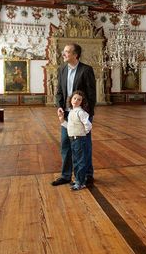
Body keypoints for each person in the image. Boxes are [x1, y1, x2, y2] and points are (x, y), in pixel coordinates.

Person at [52, 43, 96, 187]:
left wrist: (87, 115)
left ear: (75, 55)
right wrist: (59, 107)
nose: (63, 54)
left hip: (81, 115)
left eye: (67, 52)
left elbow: (91, 95)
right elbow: (59, 91)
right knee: (65, 145)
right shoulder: (62, 69)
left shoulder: (86, 70)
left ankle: (87, 175)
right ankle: (65, 176)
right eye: (64, 51)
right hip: (66, 115)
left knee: (84, 146)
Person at [57, 90, 92, 190]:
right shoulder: (72, 112)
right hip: (73, 140)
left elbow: (88, 125)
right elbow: (69, 127)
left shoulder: (81, 112)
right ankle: (78, 180)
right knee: (76, 161)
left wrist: (83, 133)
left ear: (82, 102)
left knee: (80, 161)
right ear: (71, 99)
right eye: (74, 98)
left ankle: (80, 182)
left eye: (79, 99)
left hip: (79, 139)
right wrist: (61, 120)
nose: (76, 100)